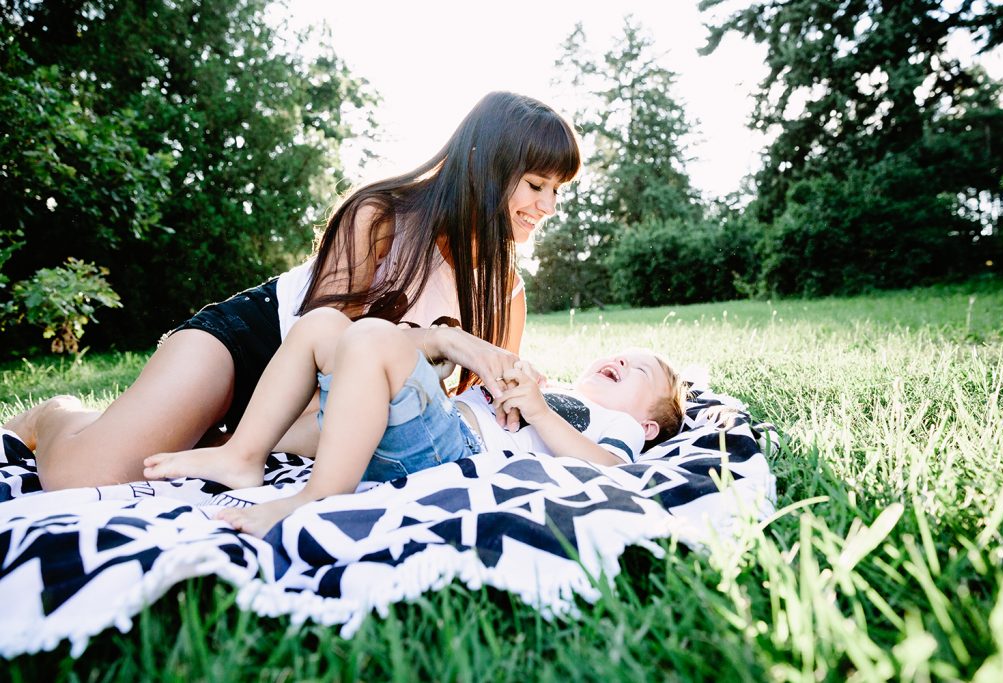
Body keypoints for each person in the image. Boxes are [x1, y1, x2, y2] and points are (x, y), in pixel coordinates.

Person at [4, 91, 581, 490]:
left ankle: (223, 439)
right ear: (484, 167)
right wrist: (440, 340)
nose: (549, 206)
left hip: (324, 409)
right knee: (86, 477)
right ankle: (54, 414)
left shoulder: (506, 293)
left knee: (186, 458)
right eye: (536, 184)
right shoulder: (382, 215)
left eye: (558, 190)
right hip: (255, 346)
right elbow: (325, 338)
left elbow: (470, 410)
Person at [141, 309, 684, 537]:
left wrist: (538, 411)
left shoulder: (619, 425)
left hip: (455, 452)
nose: (619, 360)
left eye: (639, 369)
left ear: (649, 424)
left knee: (372, 336)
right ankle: (243, 455)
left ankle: (320, 495)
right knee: (322, 324)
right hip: (434, 428)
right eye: (617, 355)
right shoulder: (559, 389)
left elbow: (612, 469)